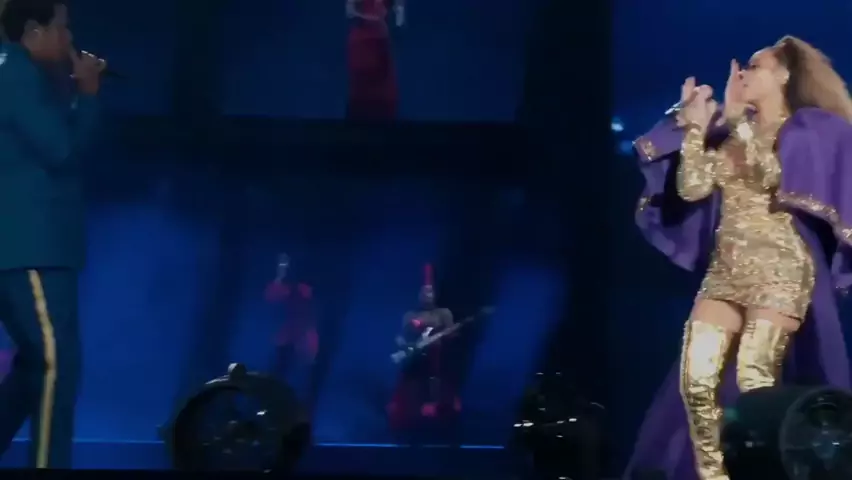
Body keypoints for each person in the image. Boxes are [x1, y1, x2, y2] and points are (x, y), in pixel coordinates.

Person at [626, 36, 852, 480]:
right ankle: (715, 475)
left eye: (756, 66)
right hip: (726, 269)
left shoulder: (806, 129)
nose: (743, 74)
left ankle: (758, 473)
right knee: (696, 382)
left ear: (784, 75)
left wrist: (738, 124)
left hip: (780, 266)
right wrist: (695, 127)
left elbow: (775, 176)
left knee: (755, 381)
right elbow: (693, 187)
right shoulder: (728, 134)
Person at [0, 0, 105, 469]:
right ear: (33, 30)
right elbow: (61, 150)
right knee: (56, 368)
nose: (69, 39)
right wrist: (89, 95)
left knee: (34, 363)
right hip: (32, 246)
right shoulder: (16, 75)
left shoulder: (15, 73)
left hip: (21, 246)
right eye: (62, 28)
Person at [388, 264, 461, 433]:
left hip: (436, 357)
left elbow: (451, 336)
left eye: (430, 292)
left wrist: (447, 334)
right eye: (424, 292)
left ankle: (437, 409)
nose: (427, 295)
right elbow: (399, 337)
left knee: (436, 381)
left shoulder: (443, 313)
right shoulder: (409, 316)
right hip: (414, 358)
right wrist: (407, 347)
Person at [345, 0, 403, 120]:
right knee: (362, 91)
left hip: (381, 42)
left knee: (383, 92)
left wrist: (398, 12)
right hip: (363, 42)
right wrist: (375, 18)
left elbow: (399, 20)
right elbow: (350, 12)